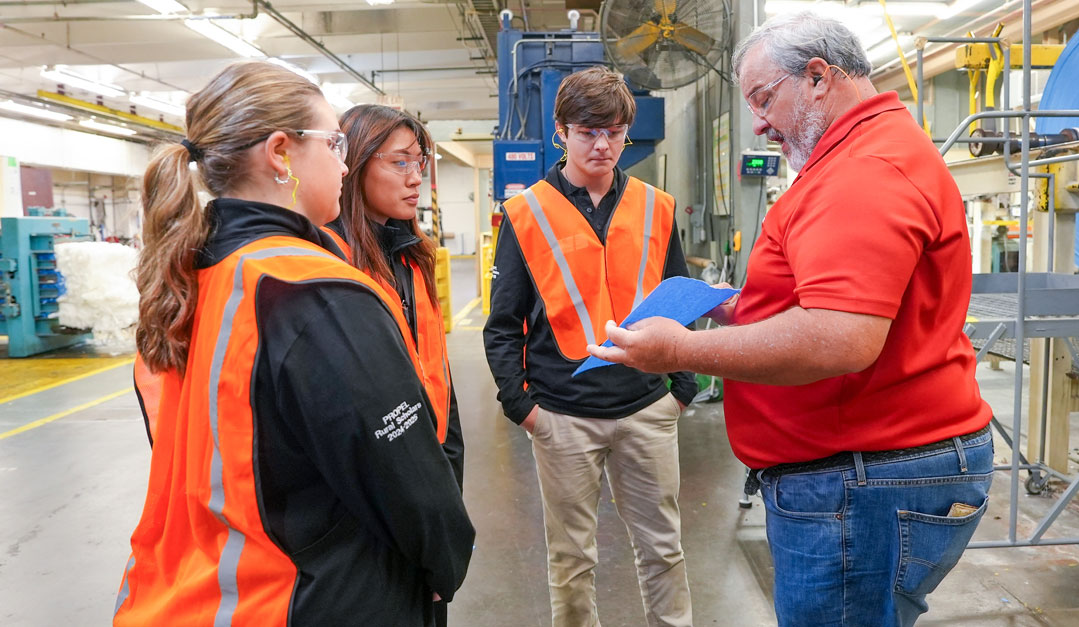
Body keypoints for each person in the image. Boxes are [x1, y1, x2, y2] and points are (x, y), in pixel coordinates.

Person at [588, 12, 995, 627]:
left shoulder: (862, 172)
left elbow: (839, 338)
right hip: (866, 470)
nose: (757, 121)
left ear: (817, 77)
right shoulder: (860, 156)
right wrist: (739, 305)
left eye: (762, 98)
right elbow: (840, 306)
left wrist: (680, 352)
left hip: (862, 481)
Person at [115, 61, 474, 626]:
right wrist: (443, 566)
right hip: (301, 596)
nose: (343, 161)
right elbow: (405, 482)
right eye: (333, 142)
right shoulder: (313, 291)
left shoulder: (191, 277)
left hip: (189, 590)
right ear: (281, 152)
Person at [483, 66, 697, 627]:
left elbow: (681, 301)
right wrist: (523, 408)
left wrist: (682, 389)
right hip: (561, 417)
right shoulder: (525, 212)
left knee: (664, 551)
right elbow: (502, 323)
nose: (602, 145)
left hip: (647, 409)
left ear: (628, 132)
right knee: (572, 560)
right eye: (587, 132)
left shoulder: (657, 206)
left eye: (614, 131)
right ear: (561, 131)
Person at [325, 104, 464, 490]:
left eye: (419, 163)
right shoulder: (332, 264)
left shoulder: (413, 256)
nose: (415, 178)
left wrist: (451, 469)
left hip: (433, 456)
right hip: (377, 477)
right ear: (353, 164)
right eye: (400, 163)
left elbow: (438, 374)